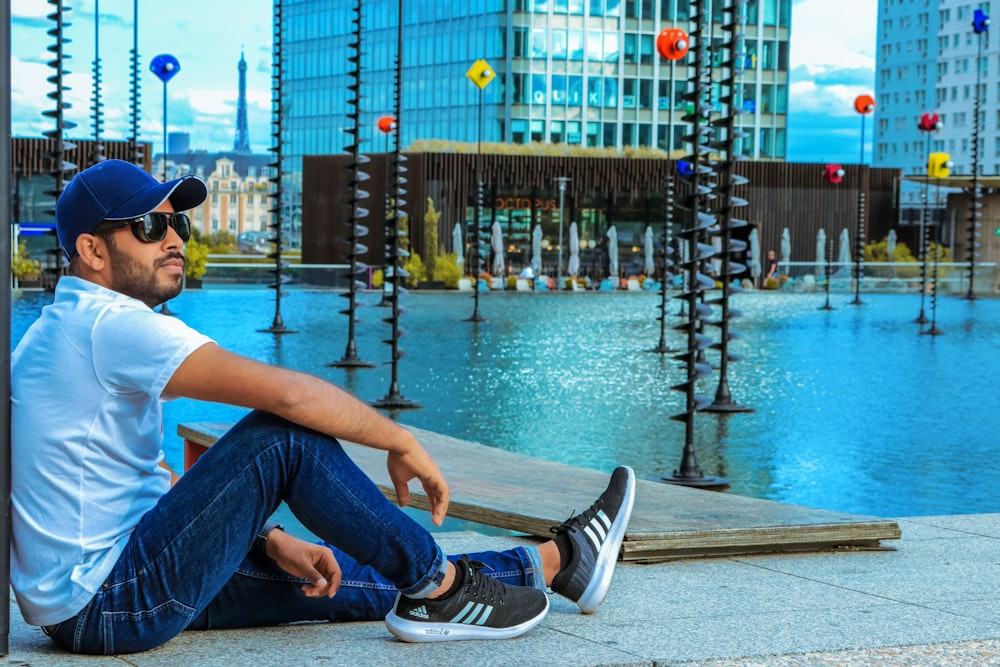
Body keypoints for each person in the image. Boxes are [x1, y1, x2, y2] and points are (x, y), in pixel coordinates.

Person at [11, 160, 636, 655]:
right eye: (150, 227)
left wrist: (268, 535)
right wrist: (398, 439)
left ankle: (556, 563)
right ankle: (440, 590)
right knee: (284, 435)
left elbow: (125, 480)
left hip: (102, 596)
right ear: (93, 251)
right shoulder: (107, 325)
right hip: (116, 599)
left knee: (344, 579)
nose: (173, 240)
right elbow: (291, 397)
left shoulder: (59, 331)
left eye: (178, 225)